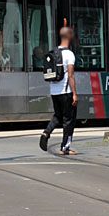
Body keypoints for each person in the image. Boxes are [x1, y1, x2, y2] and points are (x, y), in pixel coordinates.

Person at [40, 27, 78, 155]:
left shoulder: (54, 52)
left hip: (54, 91)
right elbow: (71, 76)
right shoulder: (69, 54)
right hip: (65, 91)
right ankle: (65, 147)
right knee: (69, 119)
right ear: (69, 37)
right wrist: (74, 94)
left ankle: (46, 132)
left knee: (57, 116)